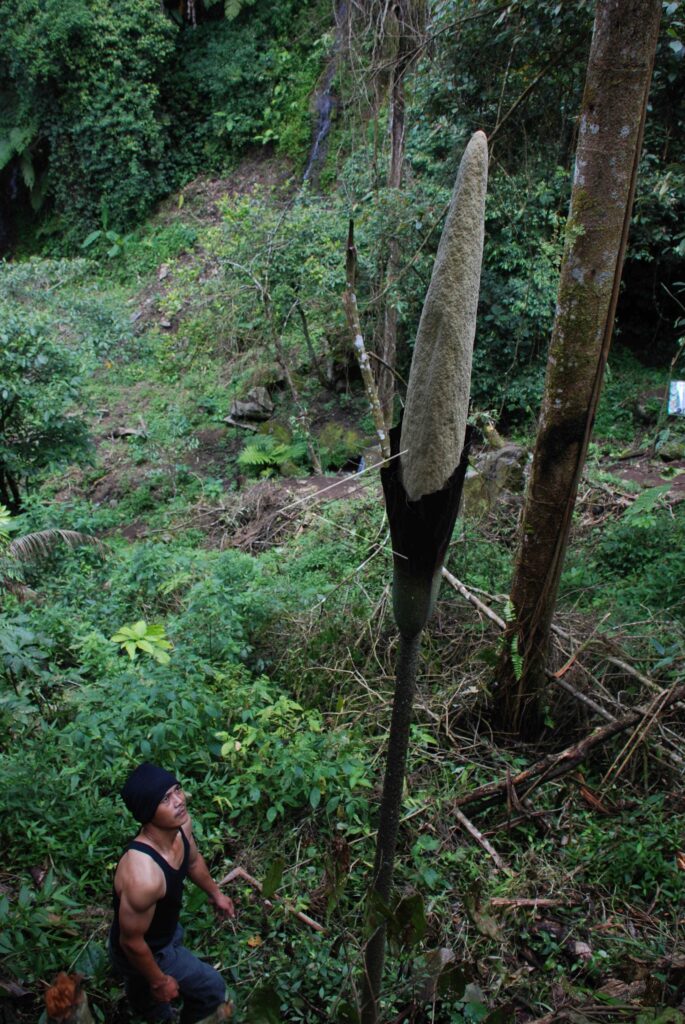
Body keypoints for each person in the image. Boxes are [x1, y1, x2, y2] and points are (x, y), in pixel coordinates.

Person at [109, 763, 235, 1023]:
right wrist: (158, 980)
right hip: (147, 948)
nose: (179, 801)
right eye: (165, 798)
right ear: (147, 811)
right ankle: (155, 1007)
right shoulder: (144, 875)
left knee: (148, 978)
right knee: (211, 989)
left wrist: (215, 893)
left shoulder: (181, 826)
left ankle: (143, 996)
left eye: (177, 790)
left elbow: (192, 860)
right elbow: (130, 942)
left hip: (162, 930)